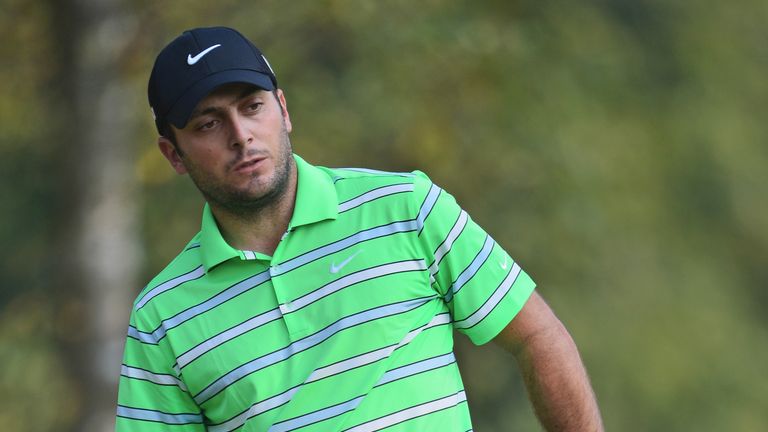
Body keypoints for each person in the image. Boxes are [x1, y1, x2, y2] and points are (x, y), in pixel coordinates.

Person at [116, 26, 603, 431]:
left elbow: (538, 336)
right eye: (207, 124)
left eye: (252, 106)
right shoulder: (161, 319)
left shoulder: (405, 207)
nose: (240, 135)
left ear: (283, 110)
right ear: (173, 154)